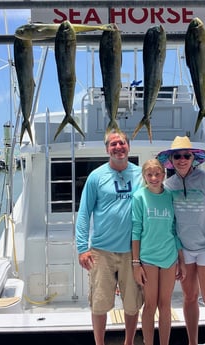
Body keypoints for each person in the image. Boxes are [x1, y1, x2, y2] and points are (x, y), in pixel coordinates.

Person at [157, 136, 205, 345]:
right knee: (189, 297)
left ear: (193, 158)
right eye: (177, 156)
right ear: (171, 159)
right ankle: (192, 342)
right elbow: (170, 224)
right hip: (184, 251)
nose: (182, 160)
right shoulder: (168, 186)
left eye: (186, 155)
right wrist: (176, 255)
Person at [76, 129, 143, 345]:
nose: (118, 147)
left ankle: (129, 342)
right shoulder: (96, 177)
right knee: (99, 303)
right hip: (101, 251)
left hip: (132, 252)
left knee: (132, 303)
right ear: (107, 149)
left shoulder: (141, 174)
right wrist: (82, 247)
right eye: (113, 144)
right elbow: (84, 212)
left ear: (128, 146)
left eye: (122, 143)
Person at [131, 158, 185, 345]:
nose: (154, 177)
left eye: (157, 174)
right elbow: (136, 231)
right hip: (148, 259)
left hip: (169, 257)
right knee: (150, 304)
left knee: (165, 304)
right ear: (144, 176)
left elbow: (174, 228)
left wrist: (181, 260)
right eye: (149, 174)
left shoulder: (170, 195)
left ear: (163, 174)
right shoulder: (139, 197)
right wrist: (136, 263)